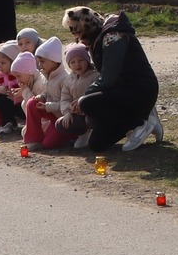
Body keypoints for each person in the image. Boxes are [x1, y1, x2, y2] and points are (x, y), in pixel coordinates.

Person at [63, 11, 163, 152]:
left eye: (77, 31)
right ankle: (145, 117)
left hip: (138, 90)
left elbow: (108, 78)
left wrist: (84, 96)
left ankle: (141, 122)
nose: (77, 37)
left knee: (86, 103)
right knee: (97, 145)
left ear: (86, 25)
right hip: (120, 92)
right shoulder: (96, 39)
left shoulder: (112, 36)